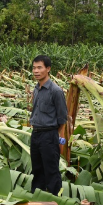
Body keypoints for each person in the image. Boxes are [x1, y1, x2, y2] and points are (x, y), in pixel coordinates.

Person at [29, 55, 68, 196]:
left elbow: (62, 119)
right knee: (37, 169)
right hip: (36, 134)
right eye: (34, 68)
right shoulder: (36, 89)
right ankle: (37, 199)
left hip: (49, 135)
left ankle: (56, 201)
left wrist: (60, 140)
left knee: (51, 170)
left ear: (48, 69)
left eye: (39, 67)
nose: (36, 71)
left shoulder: (55, 91)